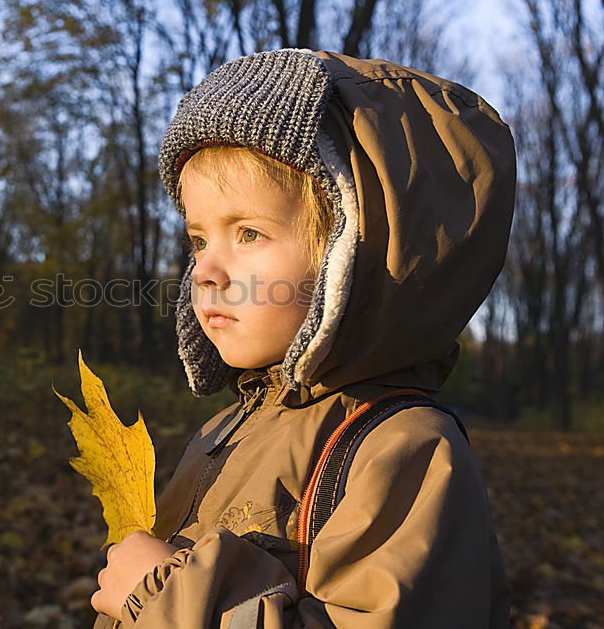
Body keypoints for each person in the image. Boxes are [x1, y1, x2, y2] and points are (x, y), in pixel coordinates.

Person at [89, 48, 516, 628]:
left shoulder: (403, 450)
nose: (206, 271)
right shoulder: (227, 429)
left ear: (352, 253)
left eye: (248, 233)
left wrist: (162, 597)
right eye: (198, 240)